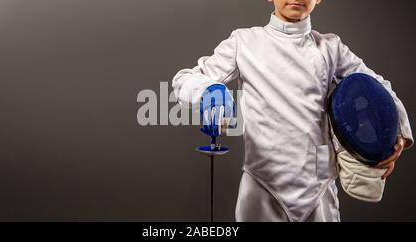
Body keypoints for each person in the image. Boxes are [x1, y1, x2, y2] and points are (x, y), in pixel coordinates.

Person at [171, 0, 413, 222]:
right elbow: (185, 79)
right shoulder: (244, 42)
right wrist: (209, 90)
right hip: (262, 185)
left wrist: (395, 135)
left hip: (318, 188)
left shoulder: (331, 47)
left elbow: (379, 90)